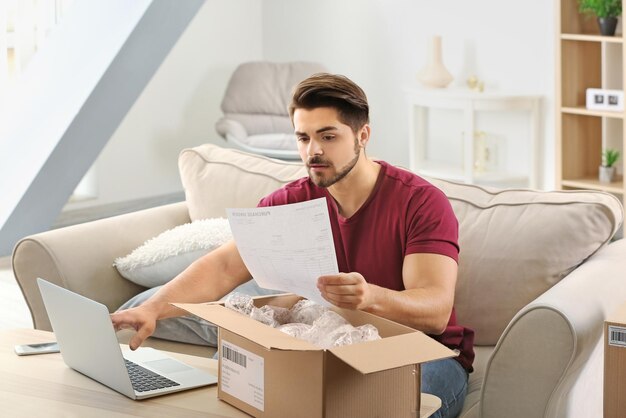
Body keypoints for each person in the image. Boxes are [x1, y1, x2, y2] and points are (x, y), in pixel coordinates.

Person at [111, 73, 474, 418]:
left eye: (328, 137)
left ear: (363, 135)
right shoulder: (287, 203)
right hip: (330, 345)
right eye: (303, 138)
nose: (313, 151)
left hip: (423, 354)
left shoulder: (420, 202)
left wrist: (370, 297)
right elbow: (224, 267)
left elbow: (435, 310)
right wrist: (154, 309)